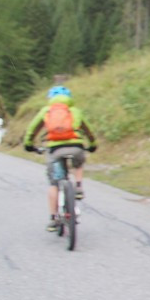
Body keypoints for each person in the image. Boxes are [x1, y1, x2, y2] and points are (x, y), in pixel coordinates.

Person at [23, 86, 98, 232]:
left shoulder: (47, 111)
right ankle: (78, 187)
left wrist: (29, 144)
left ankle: (53, 218)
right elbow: (88, 130)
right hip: (76, 146)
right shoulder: (74, 111)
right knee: (79, 161)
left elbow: (32, 129)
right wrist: (93, 144)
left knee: (54, 183)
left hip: (55, 150)